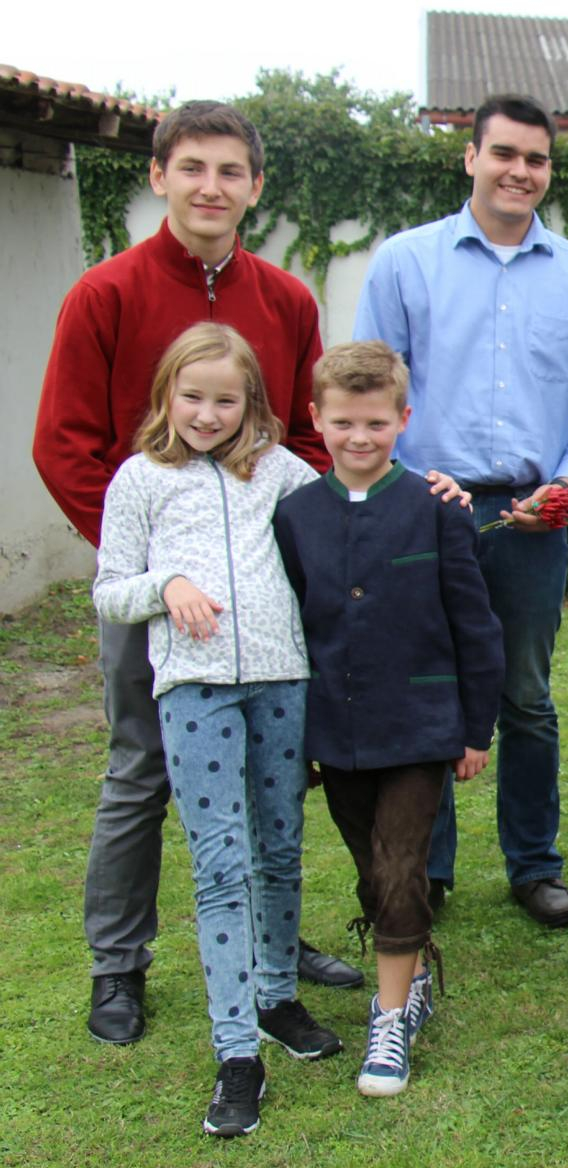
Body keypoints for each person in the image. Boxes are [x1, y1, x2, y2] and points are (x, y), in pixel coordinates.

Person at [33, 100, 361, 1047]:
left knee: (271, 777)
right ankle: (119, 962)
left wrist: (277, 556)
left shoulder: (287, 300)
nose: (210, 188)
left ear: (255, 187)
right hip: (152, 593)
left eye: (229, 172)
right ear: (158, 177)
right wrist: (146, 557)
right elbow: (65, 445)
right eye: (192, 168)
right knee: (141, 769)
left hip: (259, 602)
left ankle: (272, 944)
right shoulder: (105, 294)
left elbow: (308, 445)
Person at [354, 94, 568, 929]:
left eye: (536, 158)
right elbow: (370, 389)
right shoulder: (405, 262)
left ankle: (534, 866)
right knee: (427, 690)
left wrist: (566, 484)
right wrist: (405, 485)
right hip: (423, 511)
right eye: (504, 153)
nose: (520, 171)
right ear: (470, 157)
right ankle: (426, 869)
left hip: (531, 516)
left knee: (527, 696)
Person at [91, 324, 344, 1137]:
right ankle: (237, 1050)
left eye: (225, 400)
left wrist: (432, 494)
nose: (207, 414)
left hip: (281, 682)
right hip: (194, 689)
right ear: (167, 394)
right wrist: (166, 584)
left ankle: (276, 997)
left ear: (252, 404)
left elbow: (349, 512)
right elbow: (109, 587)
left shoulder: (280, 470)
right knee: (221, 863)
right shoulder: (140, 478)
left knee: (280, 846)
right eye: (192, 397)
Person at [273, 342, 505, 1097]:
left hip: (420, 724)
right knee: (373, 870)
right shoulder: (296, 516)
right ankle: (413, 971)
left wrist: (474, 728)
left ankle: (390, 1017)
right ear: (317, 419)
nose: (360, 437)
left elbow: (475, 625)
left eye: (376, 423)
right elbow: (294, 625)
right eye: (343, 423)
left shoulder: (437, 508)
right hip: (335, 729)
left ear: (403, 419)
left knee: (404, 864)